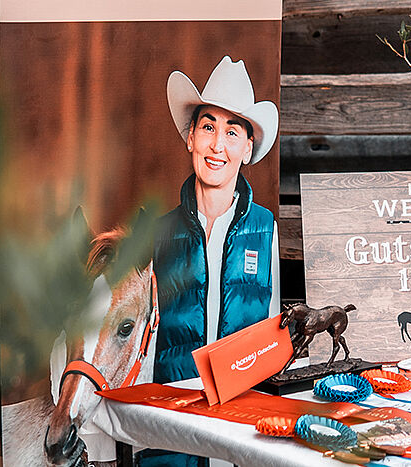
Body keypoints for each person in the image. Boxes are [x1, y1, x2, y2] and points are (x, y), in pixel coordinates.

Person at [141, 56, 279, 467]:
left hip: (243, 429)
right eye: (208, 127)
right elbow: (143, 347)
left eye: (232, 132)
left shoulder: (266, 229)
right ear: (190, 138)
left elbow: (274, 335)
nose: (218, 145)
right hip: (173, 427)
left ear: (247, 148)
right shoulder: (158, 234)